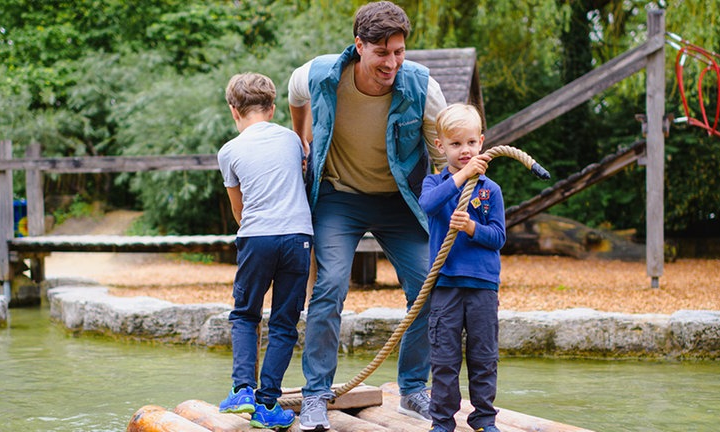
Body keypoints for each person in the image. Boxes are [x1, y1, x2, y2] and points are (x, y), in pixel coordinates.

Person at [287, 1, 447, 430]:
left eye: (398, 51)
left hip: (400, 200)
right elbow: (294, 92)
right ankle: (317, 394)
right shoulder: (320, 73)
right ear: (359, 46)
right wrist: (301, 138)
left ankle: (414, 389)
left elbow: (443, 153)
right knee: (331, 284)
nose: (392, 62)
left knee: (428, 287)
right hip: (340, 197)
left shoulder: (423, 88)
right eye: (382, 52)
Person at [216, 72, 313, 429]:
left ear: (233, 110)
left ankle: (242, 390)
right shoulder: (291, 140)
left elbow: (239, 212)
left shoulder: (229, 151)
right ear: (272, 109)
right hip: (299, 236)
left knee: (245, 314)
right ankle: (267, 403)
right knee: (285, 322)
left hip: (257, 237)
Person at [418, 103, 504, 432]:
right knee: (443, 358)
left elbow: (497, 237)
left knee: (483, 356)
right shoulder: (433, 185)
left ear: (481, 142)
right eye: (456, 144)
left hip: (482, 285)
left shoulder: (490, 190)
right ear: (441, 146)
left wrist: (471, 228)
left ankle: (483, 417)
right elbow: (427, 205)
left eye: (470, 143)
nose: (464, 150)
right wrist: (463, 176)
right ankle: (442, 421)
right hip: (445, 285)